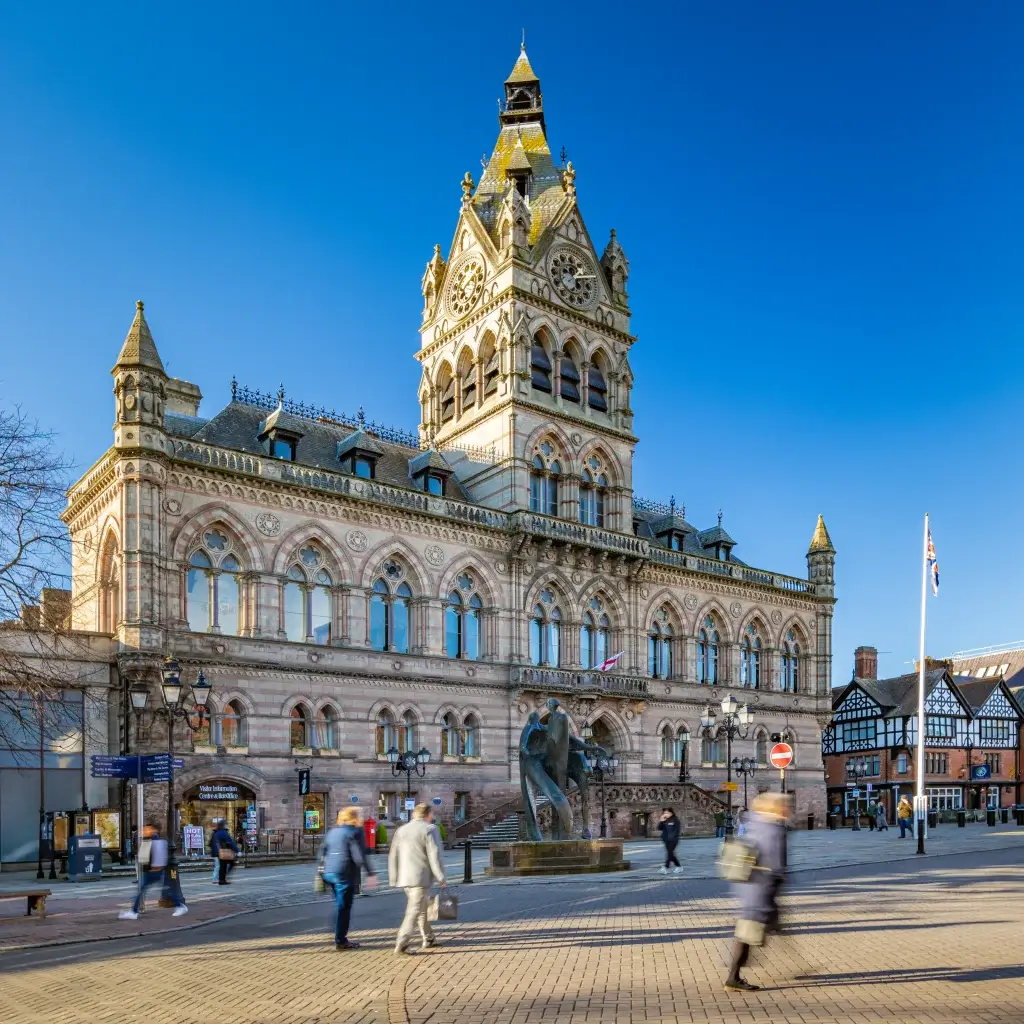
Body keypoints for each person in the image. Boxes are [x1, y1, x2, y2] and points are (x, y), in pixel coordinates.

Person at [725, 792, 791, 993]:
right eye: (785, 805)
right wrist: (778, 878)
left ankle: (734, 976)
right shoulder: (773, 828)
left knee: (752, 932)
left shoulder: (754, 823)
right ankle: (733, 978)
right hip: (762, 890)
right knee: (748, 934)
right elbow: (775, 862)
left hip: (750, 887)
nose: (788, 809)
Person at [388, 803, 447, 955]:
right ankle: (402, 942)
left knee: (421, 908)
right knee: (413, 911)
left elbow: (393, 855)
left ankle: (429, 938)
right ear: (429, 815)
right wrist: (441, 876)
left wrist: (393, 877)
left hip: (404, 877)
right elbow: (435, 855)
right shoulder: (430, 829)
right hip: (420, 878)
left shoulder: (401, 829)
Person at [320, 806, 377, 950]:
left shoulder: (333, 831)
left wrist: (320, 872)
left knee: (340, 905)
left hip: (329, 872)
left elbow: (322, 851)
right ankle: (341, 940)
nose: (362, 817)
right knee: (344, 907)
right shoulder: (356, 831)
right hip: (344, 872)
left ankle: (338, 931)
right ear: (355, 817)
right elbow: (361, 855)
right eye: (360, 815)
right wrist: (370, 874)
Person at [118, 824, 188, 920]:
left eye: (146, 829)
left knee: (147, 891)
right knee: (158, 890)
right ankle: (179, 906)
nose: (143, 831)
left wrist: (156, 868)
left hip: (152, 871)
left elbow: (158, 856)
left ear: (152, 830)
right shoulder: (147, 840)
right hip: (147, 871)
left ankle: (133, 912)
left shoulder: (155, 841)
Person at [211, 819, 239, 885]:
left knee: (222, 866)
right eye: (226, 824)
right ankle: (221, 879)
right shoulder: (223, 832)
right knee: (228, 864)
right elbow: (230, 842)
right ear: (224, 825)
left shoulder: (216, 832)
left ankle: (221, 880)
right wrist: (237, 850)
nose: (227, 825)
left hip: (218, 852)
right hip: (224, 851)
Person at [657, 808, 682, 874]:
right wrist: (661, 821)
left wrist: (673, 838)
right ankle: (679, 867)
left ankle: (665, 867)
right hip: (666, 839)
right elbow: (659, 828)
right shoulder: (665, 820)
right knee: (671, 854)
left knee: (669, 853)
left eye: (667, 813)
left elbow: (677, 830)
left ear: (671, 813)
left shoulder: (675, 820)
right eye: (664, 813)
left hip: (673, 840)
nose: (666, 814)